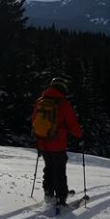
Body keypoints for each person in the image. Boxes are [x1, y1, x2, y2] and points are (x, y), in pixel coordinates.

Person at [31, 77, 83, 207]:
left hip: (43, 142)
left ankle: (49, 193)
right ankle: (61, 198)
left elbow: (34, 120)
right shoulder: (64, 104)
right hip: (57, 144)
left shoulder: (40, 101)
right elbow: (72, 125)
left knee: (49, 168)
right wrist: (80, 135)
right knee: (59, 171)